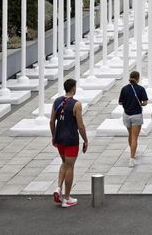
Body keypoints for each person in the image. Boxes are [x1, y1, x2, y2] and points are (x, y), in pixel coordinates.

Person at [50, 78, 88, 207]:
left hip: (59, 138)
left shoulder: (57, 101)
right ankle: (66, 198)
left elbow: (51, 121)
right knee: (70, 166)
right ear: (73, 88)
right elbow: (80, 126)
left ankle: (58, 188)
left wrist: (53, 136)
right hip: (71, 139)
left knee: (64, 163)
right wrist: (86, 139)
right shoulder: (76, 104)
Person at [119, 71, 149, 166]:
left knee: (130, 135)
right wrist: (141, 103)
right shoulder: (140, 89)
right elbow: (145, 102)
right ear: (138, 78)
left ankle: (133, 152)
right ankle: (132, 158)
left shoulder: (124, 89)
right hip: (136, 115)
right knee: (135, 137)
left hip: (126, 115)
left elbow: (120, 102)